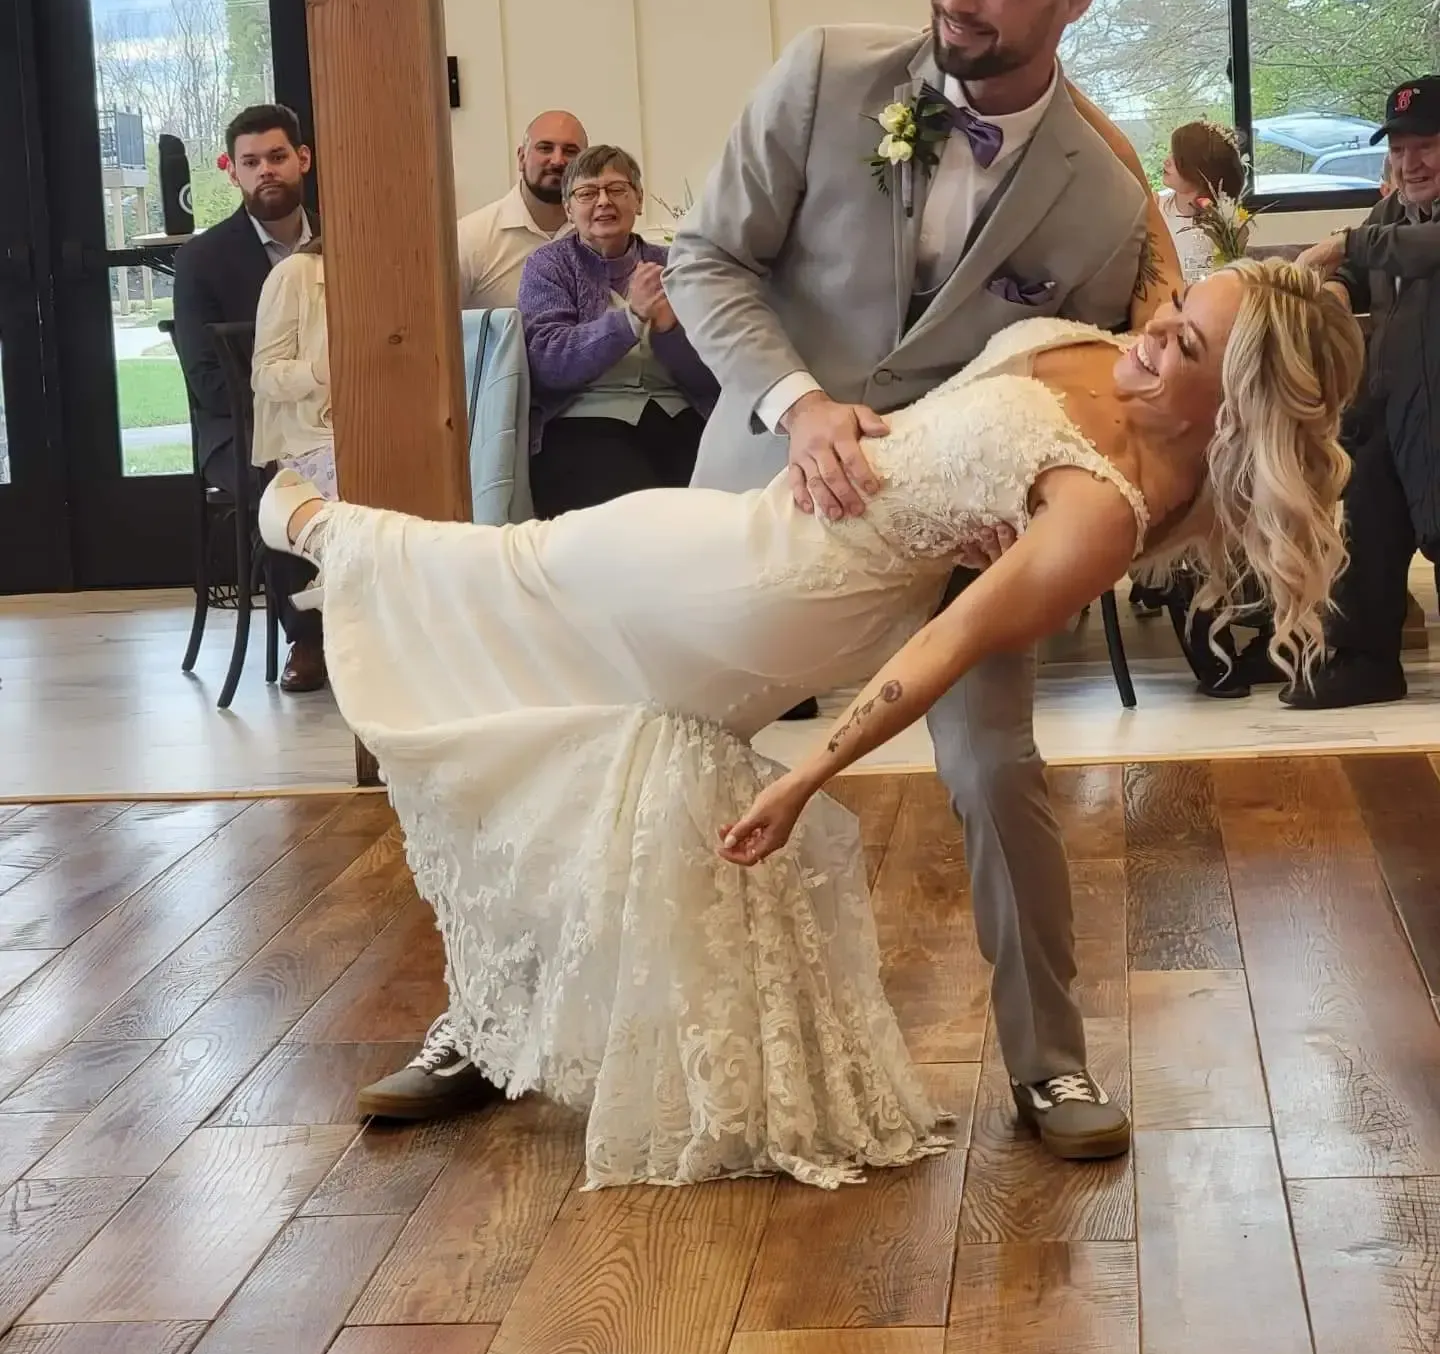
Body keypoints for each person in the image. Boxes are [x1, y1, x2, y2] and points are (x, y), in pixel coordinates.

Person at [258, 261, 1362, 1188]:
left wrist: (802, 778)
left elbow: (943, 648)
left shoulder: (1102, 512)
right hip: (753, 526)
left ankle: (310, 518)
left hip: (783, 590)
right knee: (571, 722)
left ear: (1231, 405)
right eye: (1171, 313)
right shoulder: (1121, 359)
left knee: (510, 578)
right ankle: (492, 1022)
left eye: (1183, 344)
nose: (1152, 335)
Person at [662, 0, 1183, 1164]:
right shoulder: (824, 76)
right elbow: (705, 256)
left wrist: (1027, 494)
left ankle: (1051, 1065)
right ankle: (489, 1023)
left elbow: (1081, 374)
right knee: (640, 746)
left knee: (998, 769)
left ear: (1073, 0)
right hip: (767, 486)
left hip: (961, 538)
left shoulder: (1105, 199)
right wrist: (799, 404)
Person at [1286, 76, 1440, 708]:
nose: (1410, 164)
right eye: (1399, 150)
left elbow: (1414, 250)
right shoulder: (1393, 211)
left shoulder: (1402, 228)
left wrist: (1345, 243)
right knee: (1366, 526)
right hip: (1389, 409)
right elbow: (1358, 268)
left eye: (1426, 146)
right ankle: (1365, 662)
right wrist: (1337, 289)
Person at [171, 104, 326, 694]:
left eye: (278, 157)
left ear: (302, 159)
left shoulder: (348, 239)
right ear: (231, 170)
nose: (266, 171)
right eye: (251, 161)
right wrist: (287, 416)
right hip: (239, 428)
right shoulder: (202, 260)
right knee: (284, 479)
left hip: (333, 417)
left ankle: (383, 623)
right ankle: (309, 637)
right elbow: (207, 380)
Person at [522, 146, 718, 518]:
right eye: (587, 193)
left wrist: (669, 329)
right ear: (568, 209)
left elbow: (713, 375)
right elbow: (548, 363)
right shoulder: (549, 265)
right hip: (583, 421)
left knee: (714, 512)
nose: (603, 201)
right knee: (639, 519)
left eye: (616, 189)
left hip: (679, 416)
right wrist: (630, 319)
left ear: (638, 199)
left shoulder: (674, 264)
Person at [456, 110, 588, 309]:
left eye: (570, 151)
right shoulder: (470, 238)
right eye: (545, 148)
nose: (557, 160)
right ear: (521, 157)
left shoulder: (601, 235)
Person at [251, 237, 336, 498]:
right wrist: (317, 372)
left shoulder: (399, 271)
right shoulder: (295, 273)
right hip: (313, 441)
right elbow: (263, 375)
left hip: (385, 428)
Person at [1160, 121, 1248, 284]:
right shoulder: (1153, 207)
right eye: (1171, 153)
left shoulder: (1228, 225)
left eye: (1178, 159)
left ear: (1200, 170)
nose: (1166, 161)